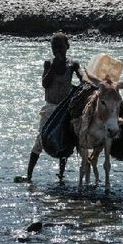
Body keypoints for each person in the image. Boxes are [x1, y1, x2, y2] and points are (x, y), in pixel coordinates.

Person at [27, 32, 85, 182]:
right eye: (54, 47)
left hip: (65, 108)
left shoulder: (72, 64)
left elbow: (82, 78)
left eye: (60, 47)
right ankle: (29, 175)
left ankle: (61, 174)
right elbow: (45, 84)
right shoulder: (48, 63)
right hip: (50, 108)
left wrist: (85, 82)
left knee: (66, 140)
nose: (58, 50)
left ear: (67, 47)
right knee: (40, 139)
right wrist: (53, 67)